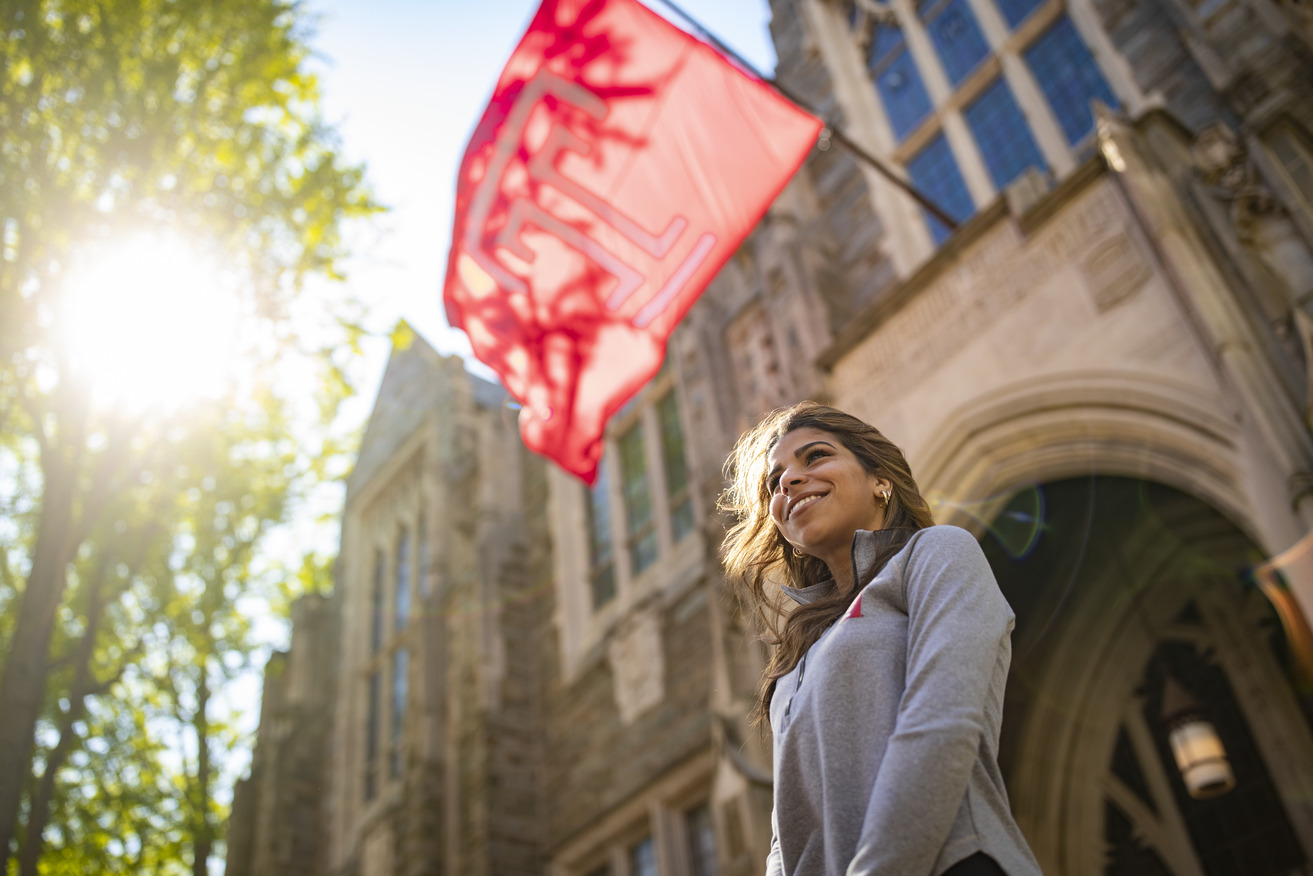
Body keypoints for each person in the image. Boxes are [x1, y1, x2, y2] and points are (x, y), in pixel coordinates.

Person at [720, 402, 1042, 876]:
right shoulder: (793, 655)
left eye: (815, 457)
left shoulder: (936, 553)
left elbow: (941, 723)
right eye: (775, 481)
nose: (788, 481)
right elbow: (784, 835)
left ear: (880, 481)